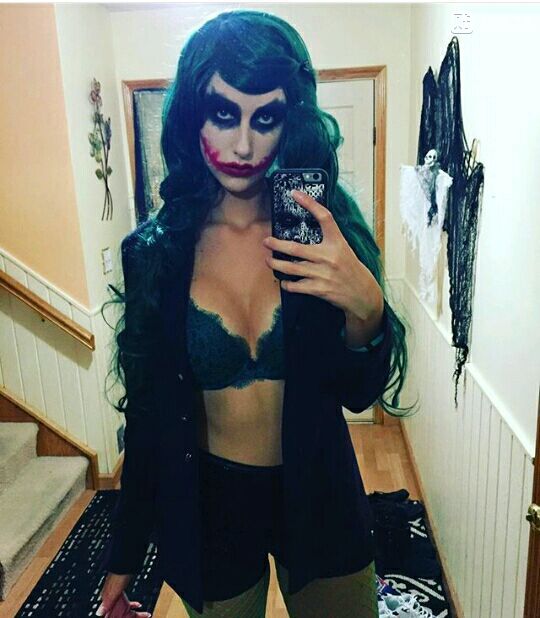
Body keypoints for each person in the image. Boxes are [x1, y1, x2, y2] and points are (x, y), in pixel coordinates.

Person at [98, 9, 416, 618]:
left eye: (265, 118)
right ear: (192, 116)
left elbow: (359, 392)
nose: (243, 145)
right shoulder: (156, 253)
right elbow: (149, 415)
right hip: (210, 505)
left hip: (319, 491)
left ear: (289, 119)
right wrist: (124, 554)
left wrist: (368, 309)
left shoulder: (320, 230)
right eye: (223, 115)